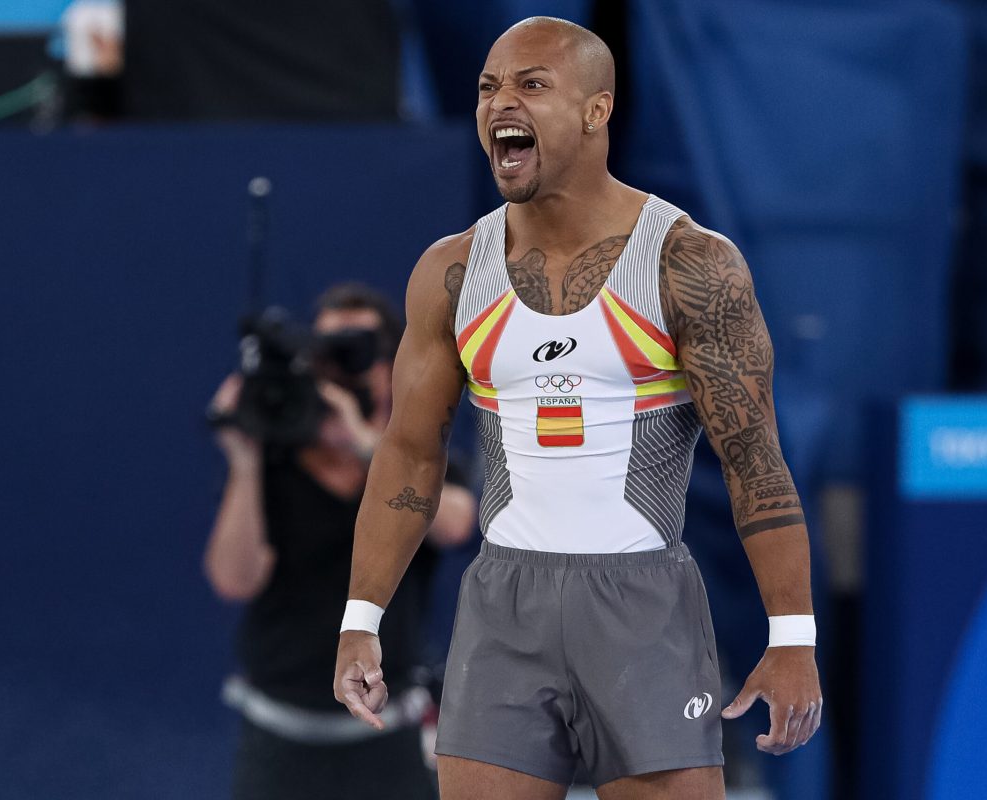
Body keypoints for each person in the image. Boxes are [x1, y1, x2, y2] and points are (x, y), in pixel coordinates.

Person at [333, 17, 822, 800]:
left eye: (531, 85)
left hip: (643, 607)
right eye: (489, 87)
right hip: (503, 608)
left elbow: (754, 459)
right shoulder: (453, 271)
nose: (500, 105)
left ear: (597, 110)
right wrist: (363, 616)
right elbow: (409, 453)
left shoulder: (690, 264)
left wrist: (792, 633)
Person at [205, 283, 476, 800]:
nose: (341, 364)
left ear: (393, 362)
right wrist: (244, 460)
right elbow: (234, 580)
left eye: (358, 347)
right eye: (327, 349)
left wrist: (367, 445)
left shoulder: (420, 457)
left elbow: (457, 524)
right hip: (279, 740)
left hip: (385, 741)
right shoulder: (275, 464)